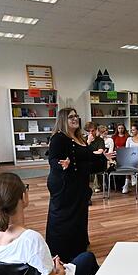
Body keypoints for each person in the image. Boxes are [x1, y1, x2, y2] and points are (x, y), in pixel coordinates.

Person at [46, 108, 112, 262]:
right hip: (64, 185)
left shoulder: (79, 138)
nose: (75, 118)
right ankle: (60, 250)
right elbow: (53, 160)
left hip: (79, 184)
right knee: (63, 217)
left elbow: (88, 157)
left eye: (76, 115)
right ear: (63, 119)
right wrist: (62, 164)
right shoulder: (58, 138)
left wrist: (103, 157)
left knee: (79, 216)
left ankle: (78, 246)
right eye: (71, 117)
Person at [123, 124, 138, 194]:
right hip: (130, 156)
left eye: (133, 130)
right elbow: (127, 150)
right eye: (131, 130)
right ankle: (132, 177)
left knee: (129, 162)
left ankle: (127, 184)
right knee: (128, 160)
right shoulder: (129, 139)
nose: (132, 131)